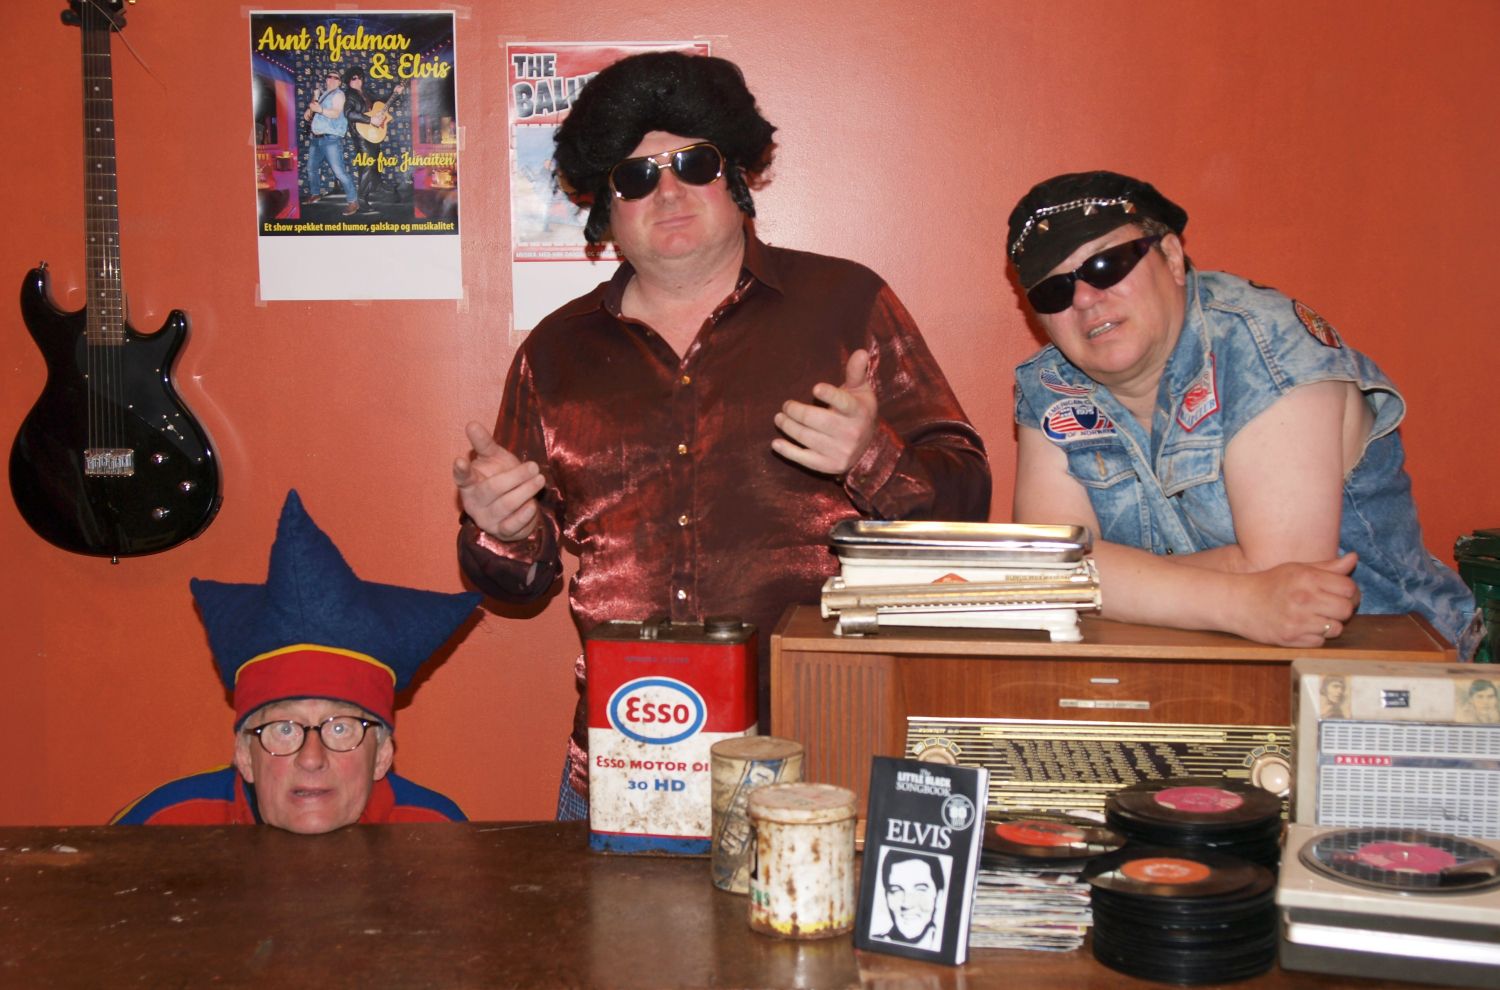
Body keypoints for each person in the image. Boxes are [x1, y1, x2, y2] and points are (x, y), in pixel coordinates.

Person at [451, 52, 991, 818]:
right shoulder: (555, 353)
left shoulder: (846, 305)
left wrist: (872, 459)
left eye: (693, 163)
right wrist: (504, 534)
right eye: (637, 176)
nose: (668, 191)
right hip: (626, 762)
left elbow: (968, 501)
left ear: (734, 176)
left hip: (824, 755)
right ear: (605, 207)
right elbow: (519, 581)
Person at [1006, 170, 1475, 650]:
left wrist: (1109, 578)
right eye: (1053, 291)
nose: (1085, 298)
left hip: (1388, 660)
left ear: (1171, 257)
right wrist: (1239, 598)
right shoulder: (1049, 386)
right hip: (1178, 663)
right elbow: (1047, 572)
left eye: (1106, 265)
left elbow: (1287, 579)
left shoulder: (1265, 345)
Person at [112, 491, 479, 831]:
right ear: (244, 755)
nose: (311, 758)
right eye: (284, 729)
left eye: (341, 729)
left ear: (383, 754)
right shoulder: (162, 828)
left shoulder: (435, 835)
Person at [341, 66, 405, 212]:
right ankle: (361, 199)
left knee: (376, 161)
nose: (358, 81)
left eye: (360, 78)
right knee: (367, 165)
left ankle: (378, 185)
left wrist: (394, 92)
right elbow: (349, 113)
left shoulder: (366, 92)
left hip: (373, 133)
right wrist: (370, 120)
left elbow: (381, 102)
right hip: (361, 135)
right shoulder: (350, 95)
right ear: (349, 81)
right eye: (354, 78)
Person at [302, 69, 359, 216]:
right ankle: (315, 193)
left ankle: (353, 201)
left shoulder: (338, 95)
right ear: (326, 80)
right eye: (330, 77)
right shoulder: (322, 95)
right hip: (316, 139)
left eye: (336, 78)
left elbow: (335, 113)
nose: (332, 79)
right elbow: (307, 116)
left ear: (339, 82)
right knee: (311, 168)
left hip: (331, 139)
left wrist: (320, 109)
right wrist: (314, 101)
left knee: (339, 172)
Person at [873, 849, 945, 950]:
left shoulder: (949, 947)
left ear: (938, 897)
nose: (907, 904)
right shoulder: (874, 944)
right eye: (896, 890)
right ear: (886, 896)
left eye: (920, 890)